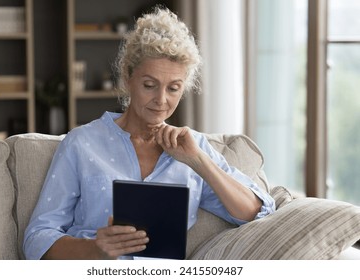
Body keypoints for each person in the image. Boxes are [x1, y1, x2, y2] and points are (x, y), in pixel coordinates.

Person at [23, 7, 275, 260]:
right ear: (127, 78)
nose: (161, 100)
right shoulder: (82, 143)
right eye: (149, 85)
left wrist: (199, 161)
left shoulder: (194, 149)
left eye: (174, 88)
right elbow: (38, 236)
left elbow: (255, 212)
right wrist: (95, 249)